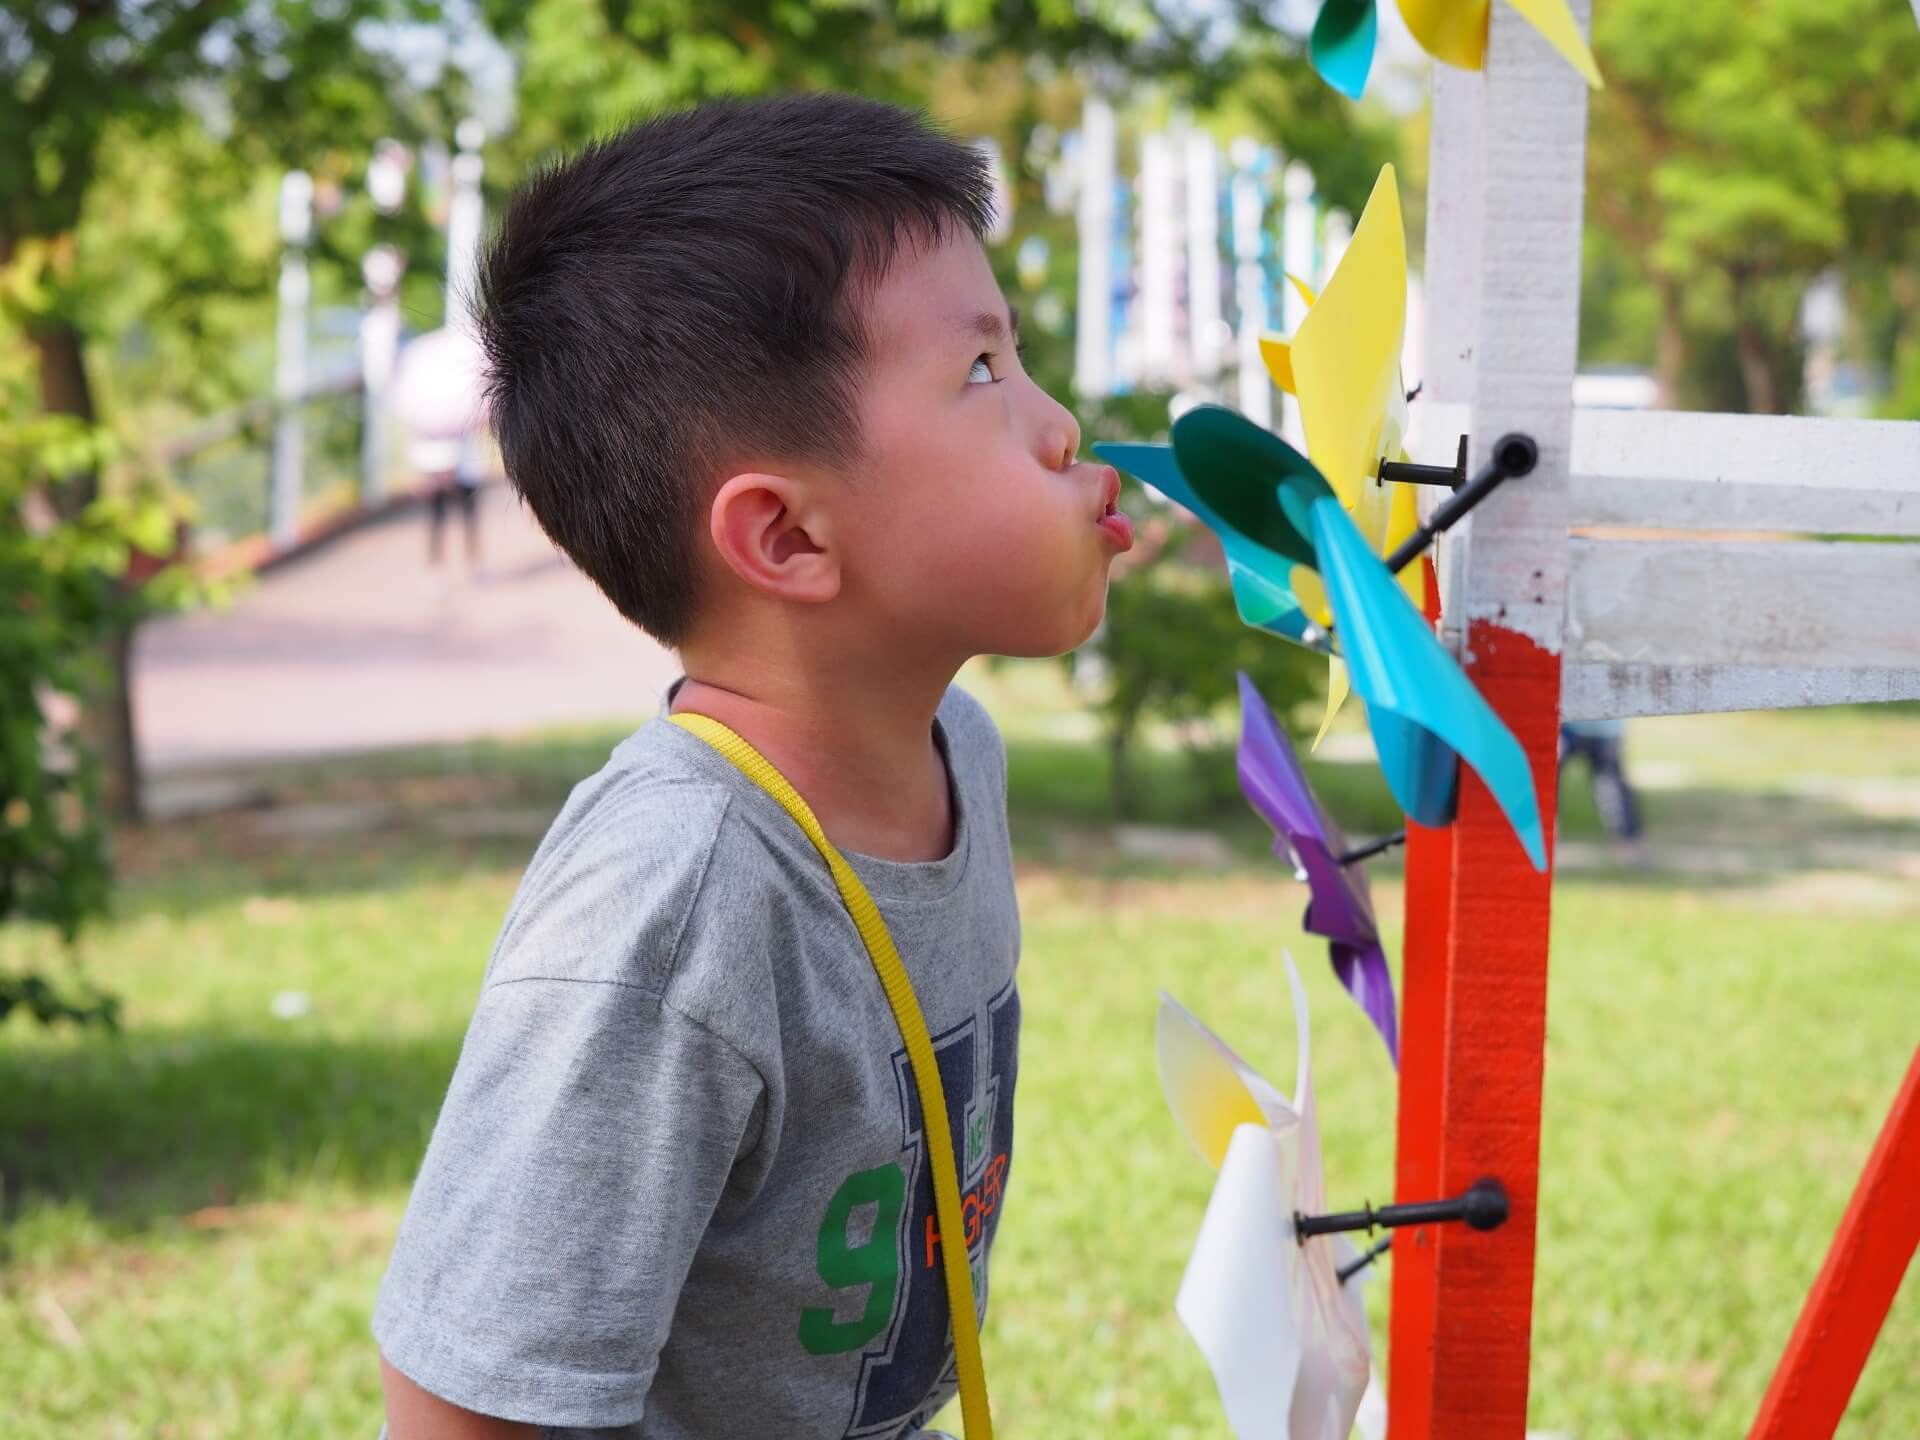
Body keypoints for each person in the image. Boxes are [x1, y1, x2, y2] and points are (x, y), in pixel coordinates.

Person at [371, 94, 1134, 1439]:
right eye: (981, 375)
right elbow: (464, 1408)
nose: (1061, 426)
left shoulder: (958, 754)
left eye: (1020, 359)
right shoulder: (671, 908)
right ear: (784, 539)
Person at [1558, 717, 1644, 848]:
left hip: (1606, 730)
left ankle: (1628, 840)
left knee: (1611, 787)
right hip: (1566, 728)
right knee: (1545, 786)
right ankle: (1544, 837)